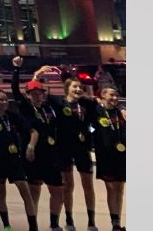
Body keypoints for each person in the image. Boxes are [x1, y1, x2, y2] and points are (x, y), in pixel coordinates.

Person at [11, 57, 64, 231]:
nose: (38, 96)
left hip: (51, 155)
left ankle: (54, 223)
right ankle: (32, 226)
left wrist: (37, 75)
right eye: (34, 94)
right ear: (28, 95)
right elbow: (15, 90)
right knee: (34, 191)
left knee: (57, 190)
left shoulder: (48, 108)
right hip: (33, 154)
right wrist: (17, 69)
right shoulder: (26, 108)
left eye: (40, 93)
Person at [0, 84, 39, 231]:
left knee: (25, 192)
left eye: (6, 100)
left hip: (14, 160)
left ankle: (33, 227)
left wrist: (31, 147)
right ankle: (7, 225)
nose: (4, 102)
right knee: (1, 195)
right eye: (1, 100)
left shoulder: (13, 116)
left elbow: (34, 132)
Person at [53, 76, 99, 230]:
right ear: (67, 88)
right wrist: (36, 75)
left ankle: (91, 221)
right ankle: (69, 220)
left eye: (80, 87)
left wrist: (89, 132)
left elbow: (99, 117)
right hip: (64, 149)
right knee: (68, 186)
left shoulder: (88, 104)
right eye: (74, 87)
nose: (78, 89)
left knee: (88, 186)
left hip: (82, 149)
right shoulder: (59, 102)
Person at [90, 86, 125, 231]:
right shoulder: (97, 111)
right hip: (106, 156)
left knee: (120, 188)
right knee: (111, 188)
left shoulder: (120, 113)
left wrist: (122, 108)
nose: (115, 98)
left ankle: (118, 222)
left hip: (121, 155)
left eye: (116, 95)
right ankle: (114, 221)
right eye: (111, 95)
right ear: (102, 96)